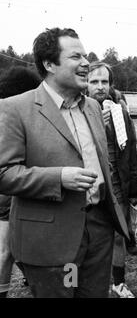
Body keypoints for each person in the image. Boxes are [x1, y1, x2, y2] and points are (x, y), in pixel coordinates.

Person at [0, 28, 128, 298]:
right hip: (52, 239)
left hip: (98, 231)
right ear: (49, 64)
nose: (86, 63)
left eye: (85, 55)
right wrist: (58, 178)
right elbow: (4, 173)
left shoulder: (93, 107)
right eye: (75, 57)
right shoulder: (15, 108)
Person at [87, 61, 137, 298]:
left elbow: (130, 152)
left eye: (104, 82)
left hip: (116, 182)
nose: (100, 87)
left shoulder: (120, 112)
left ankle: (119, 283)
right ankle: (75, 282)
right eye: (94, 81)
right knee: (83, 240)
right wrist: (98, 123)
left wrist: (134, 189)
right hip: (87, 184)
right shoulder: (75, 112)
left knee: (119, 235)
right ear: (85, 84)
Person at [0, 66, 41, 298]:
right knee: (6, 251)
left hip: (13, 188)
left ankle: (33, 277)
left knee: (13, 249)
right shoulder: (16, 111)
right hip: (12, 189)